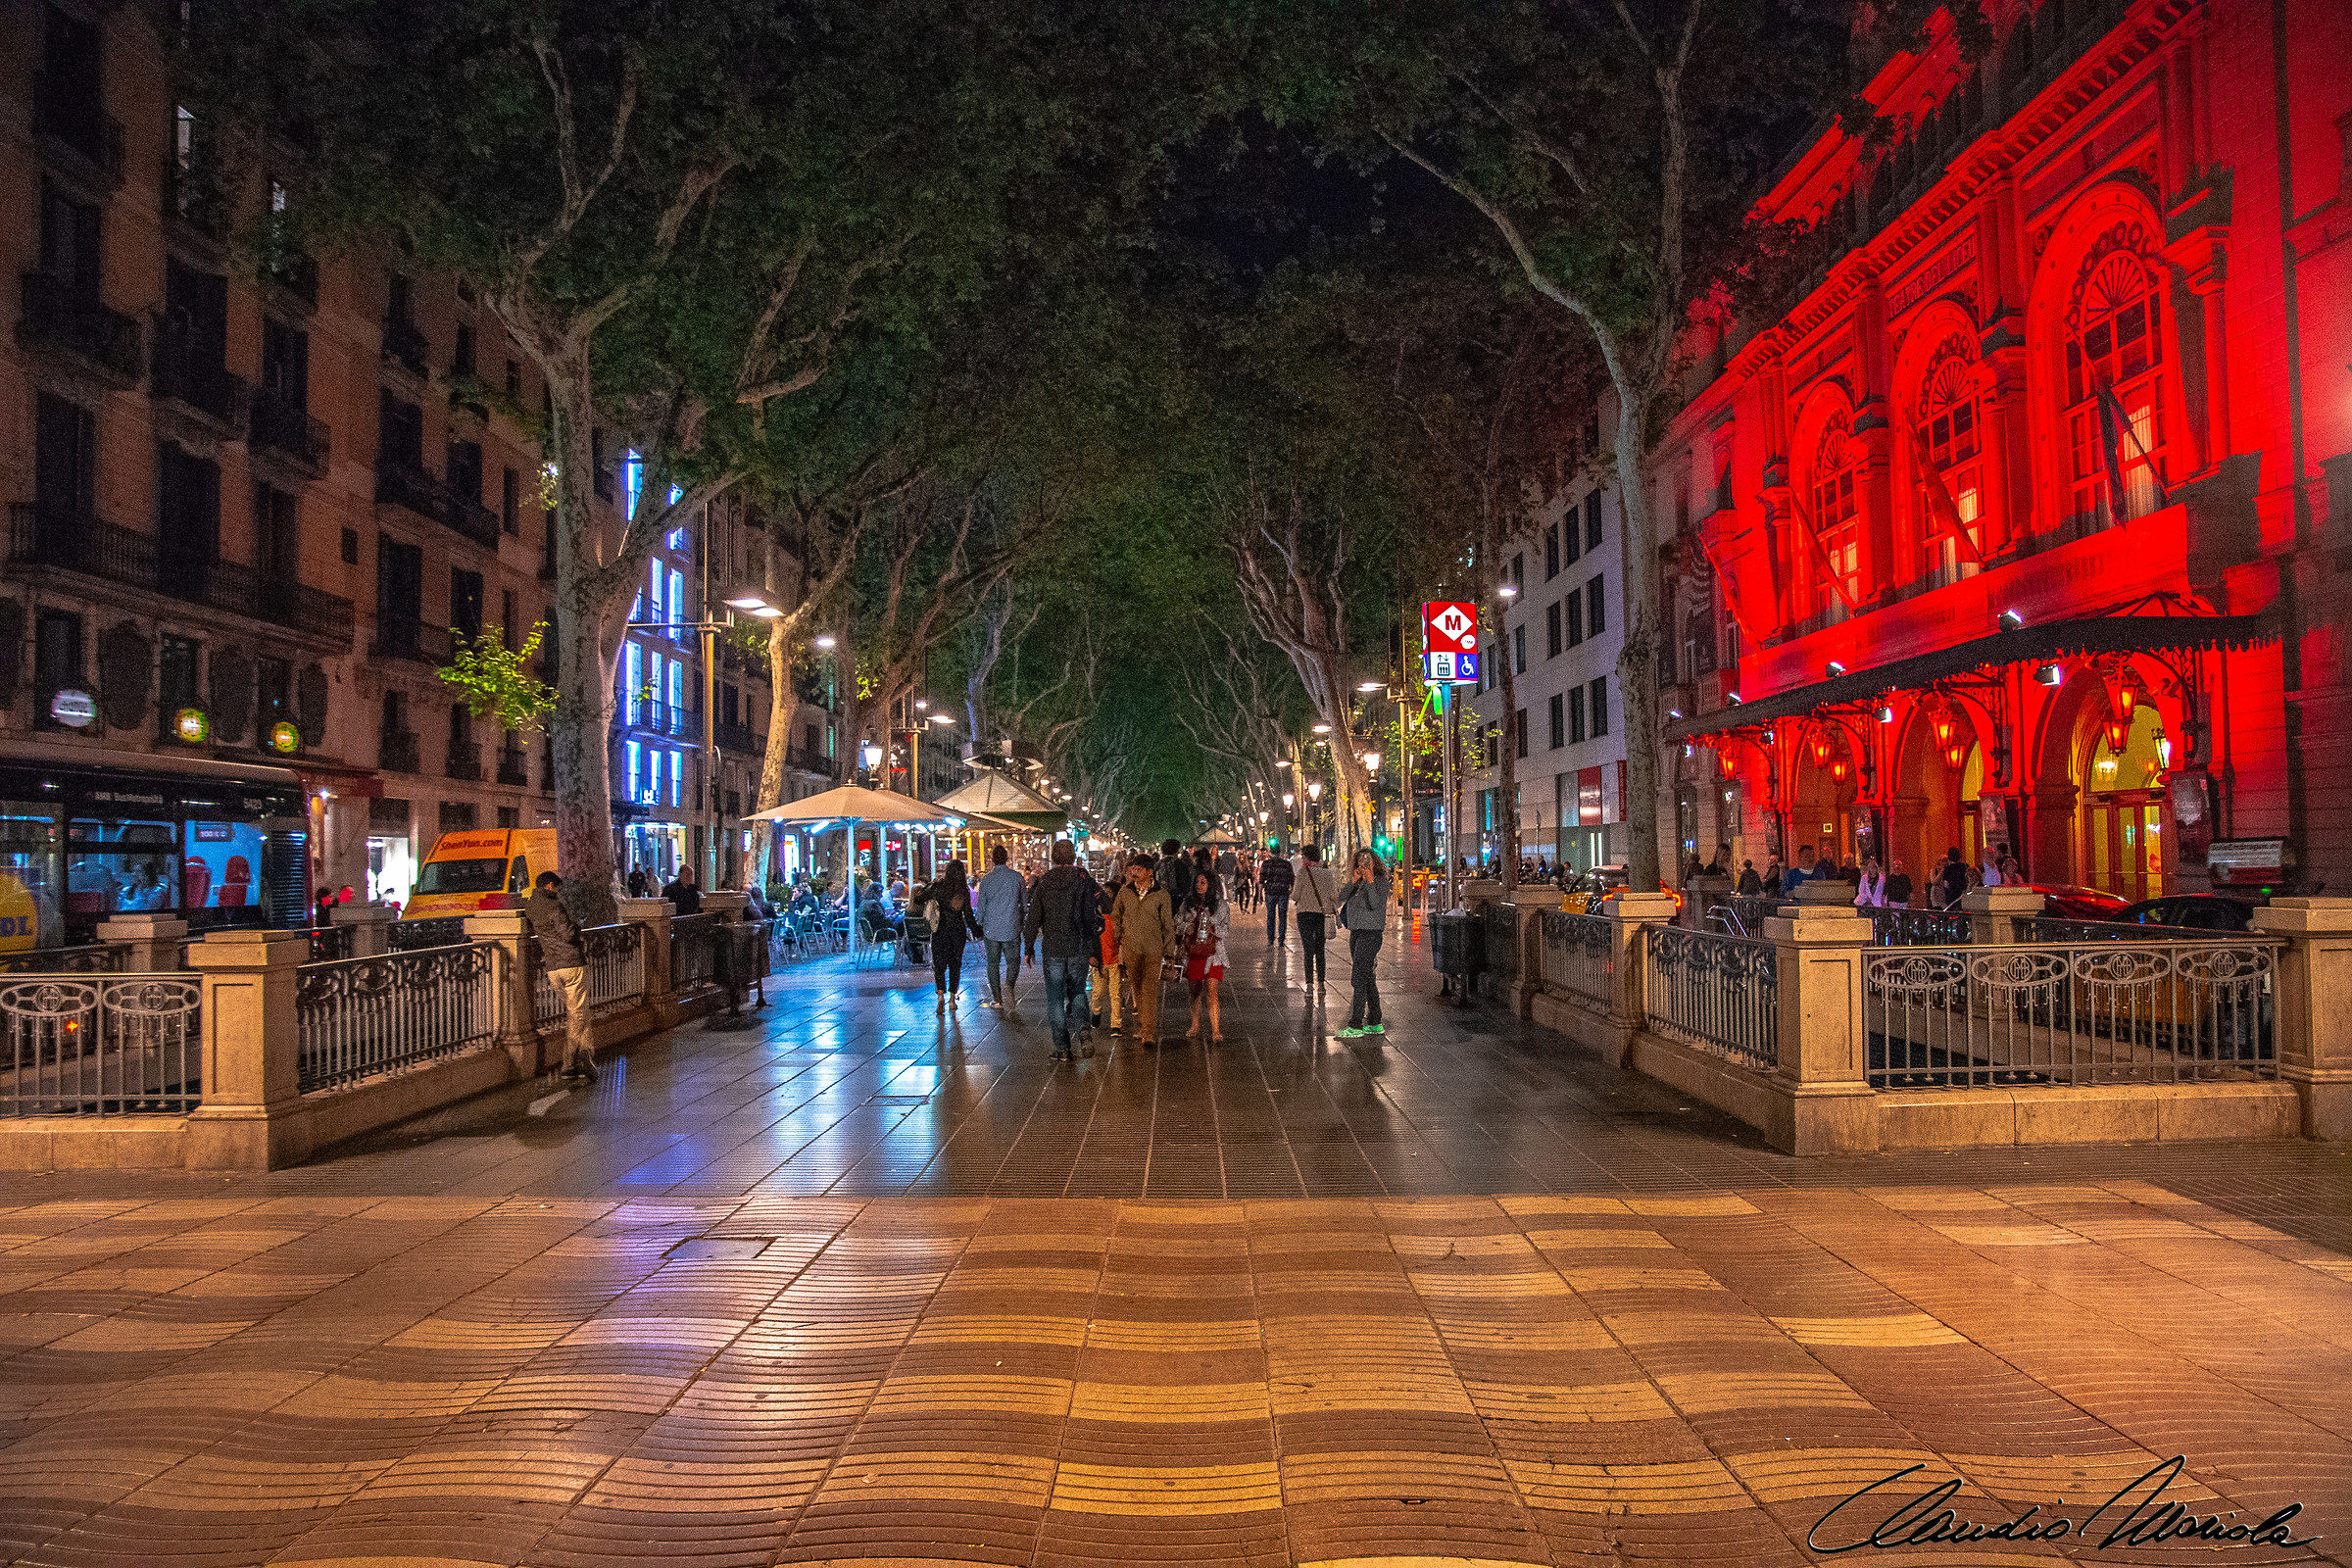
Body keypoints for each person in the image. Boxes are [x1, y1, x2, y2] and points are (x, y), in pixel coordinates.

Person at [1023, 840, 1102, 1062]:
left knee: (1055, 999)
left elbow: (1034, 918)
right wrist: (1094, 946)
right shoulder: (1081, 880)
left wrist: (1028, 947)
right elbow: (1096, 909)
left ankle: (1062, 1048)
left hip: (1053, 949)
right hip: (1077, 946)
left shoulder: (1044, 882)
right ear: (1073, 857)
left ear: (1054, 857)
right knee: (1077, 991)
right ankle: (1084, 1031)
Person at [524, 871, 595, 1080]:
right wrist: (577, 925)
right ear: (549, 886)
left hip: (553, 967)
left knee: (578, 1013)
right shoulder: (554, 906)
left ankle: (586, 1058)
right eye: (557, 888)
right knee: (578, 1014)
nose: (558, 892)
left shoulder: (531, 907)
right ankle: (569, 1062)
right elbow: (568, 934)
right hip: (571, 964)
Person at [1112, 854, 1174, 1042]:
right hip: (1131, 948)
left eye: (1138, 869)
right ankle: (1142, 1025)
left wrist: (1169, 952)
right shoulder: (1125, 892)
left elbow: (1168, 925)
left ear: (1149, 872)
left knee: (1149, 989)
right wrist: (1119, 936)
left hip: (1153, 950)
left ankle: (1148, 1031)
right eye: (1133, 869)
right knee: (1137, 987)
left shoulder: (1161, 894)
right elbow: (1116, 915)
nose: (1134, 872)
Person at [1335, 850, 1394, 1039]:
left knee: (1358, 977)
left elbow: (1375, 904)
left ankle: (1356, 1024)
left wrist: (1369, 881)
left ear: (1374, 863)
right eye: (1360, 862)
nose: (1363, 865)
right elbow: (1340, 898)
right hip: (1356, 931)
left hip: (1371, 934)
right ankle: (1375, 1021)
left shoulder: (1381, 882)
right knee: (1367, 977)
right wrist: (1354, 880)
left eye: (1367, 862)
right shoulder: (1358, 882)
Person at [1177, 862, 1229, 1043]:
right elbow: (1177, 922)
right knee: (1195, 990)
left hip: (1213, 953)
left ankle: (1216, 1030)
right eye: (1197, 882)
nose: (1199, 886)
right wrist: (1188, 927)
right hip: (1193, 953)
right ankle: (1195, 1023)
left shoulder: (1219, 905)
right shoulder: (1187, 903)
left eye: (1203, 882)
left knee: (1212, 990)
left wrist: (1213, 928)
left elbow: (1225, 929)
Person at [973, 846, 1026, 1012]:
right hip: (1012, 927)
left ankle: (997, 999)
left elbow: (981, 907)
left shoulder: (986, 880)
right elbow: (1024, 905)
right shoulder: (1017, 878)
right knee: (1013, 961)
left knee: (992, 963)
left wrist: (978, 925)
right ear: (1007, 858)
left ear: (992, 860)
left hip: (991, 929)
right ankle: (1009, 986)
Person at [920, 861, 973, 1011]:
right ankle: (952, 1000)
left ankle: (940, 996)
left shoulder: (938, 887)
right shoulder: (963, 890)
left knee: (939, 964)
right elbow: (968, 915)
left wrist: (931, 884)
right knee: (955, 965)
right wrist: (977, 930)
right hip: (957, 931)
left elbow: (920, 898)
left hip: (940, 930)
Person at [1291, 845, 1336, 990]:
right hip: (1322, 915)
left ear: (1308, 857)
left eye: (1303, 857)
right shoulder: (1327, 874)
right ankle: (1322, 983)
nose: (1302, 860)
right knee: (1320, 949)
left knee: (1308, 949)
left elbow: (1295, 895)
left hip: (1304, 914)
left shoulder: (1303, 872)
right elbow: (1334, 896)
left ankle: (1309, 984)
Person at [1090, 871, 1124, 1033]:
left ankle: (1115, 1024)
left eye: (1109, 893)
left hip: (1115, 960)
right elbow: (1091, 937)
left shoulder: (1119, 917)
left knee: (1115, 994)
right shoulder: (1096, 915)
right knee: (1098, 991)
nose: (1106, 896)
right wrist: (1091, 955)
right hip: (1100, 960)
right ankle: (1096, 1012)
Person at [1259, 849, 1295, 945]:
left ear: (1271, 853)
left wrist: (1259, 894)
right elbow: (1291, 878)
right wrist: (1291, 889)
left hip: (1270, 891)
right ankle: (1281, 939)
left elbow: (1261, 880)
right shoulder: (1286, 864)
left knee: (1271, 915)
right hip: (1283, 891)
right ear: (1280, 852)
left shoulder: (1266, 864)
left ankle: (1271, 938)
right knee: (1282, 916)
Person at [1155, 838, 1197, 911]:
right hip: (1176, 901)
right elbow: (1186, 883)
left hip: (1160, 900)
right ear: (1176, 850)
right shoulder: (1180, 864)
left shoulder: (1158, 864)